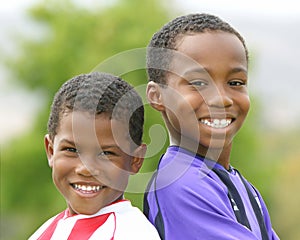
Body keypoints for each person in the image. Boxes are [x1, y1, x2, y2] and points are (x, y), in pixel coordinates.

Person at [143, 13, 279, 240]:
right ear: (157, 96)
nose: (220, 99)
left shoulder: (242, 186)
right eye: (198, 83)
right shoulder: (179, 184)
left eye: (235, 83)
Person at [29, 72, 161, 239]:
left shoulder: (132, 234)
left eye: (106, 153)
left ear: (135, 160)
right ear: (51, 150)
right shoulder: (44, 232)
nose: (86, 168)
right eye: (71, 150)